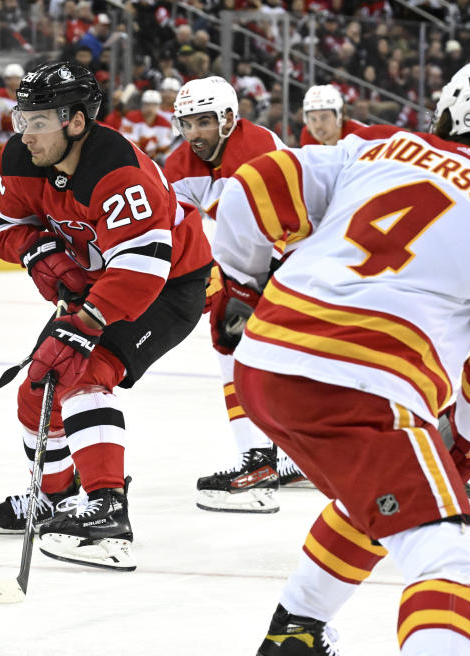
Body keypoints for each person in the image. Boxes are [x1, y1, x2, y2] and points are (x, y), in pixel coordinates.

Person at [213, 56, 470, 656]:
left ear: (448, 114)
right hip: (360, 385)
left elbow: (253, 187)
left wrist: (241, 288)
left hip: (265, 362)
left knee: (372, 492)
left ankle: (296, 629)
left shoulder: (379, 149)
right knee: (450, 557)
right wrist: (467, 445)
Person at [0, 62, 212, 570]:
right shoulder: (22, 157)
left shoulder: (118, 172)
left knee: (84, 373)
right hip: (100, 282)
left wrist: (85, 325)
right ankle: (53, 495)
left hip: (167, 287)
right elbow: (6, 228)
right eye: (22, 118)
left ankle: (108, 513)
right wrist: (46, 256)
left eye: (39, 120)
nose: (26, 134)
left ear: (76, 121)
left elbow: (142, 269)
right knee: (38, 387)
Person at [162, 75, 302, 515]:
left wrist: (260, 279)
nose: (193, 134)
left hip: (298, 253)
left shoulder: (259, 148)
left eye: (203, 122)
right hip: (255, 259)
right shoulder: (179, 165)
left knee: (263, 352)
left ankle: (266, 463)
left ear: (227, 118)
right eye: (186, 124)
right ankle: (275, 458)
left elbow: (290, 221)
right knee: (233, 346)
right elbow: (175, 228)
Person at [299, 84, 367, 146]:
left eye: (324, 118)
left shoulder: (360, 136)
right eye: (313, 119)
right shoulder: (308, 135)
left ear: (339, 118)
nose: (318, 125)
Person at [120, 89, 173, 165]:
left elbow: (165, 149)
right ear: (142, 104)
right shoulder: (131, 118)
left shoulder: (164, 123)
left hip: (154, 162)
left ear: (159, 106)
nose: (150, 108)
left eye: (154, 104)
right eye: (147, 104)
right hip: (133, 160)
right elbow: (128, 145)